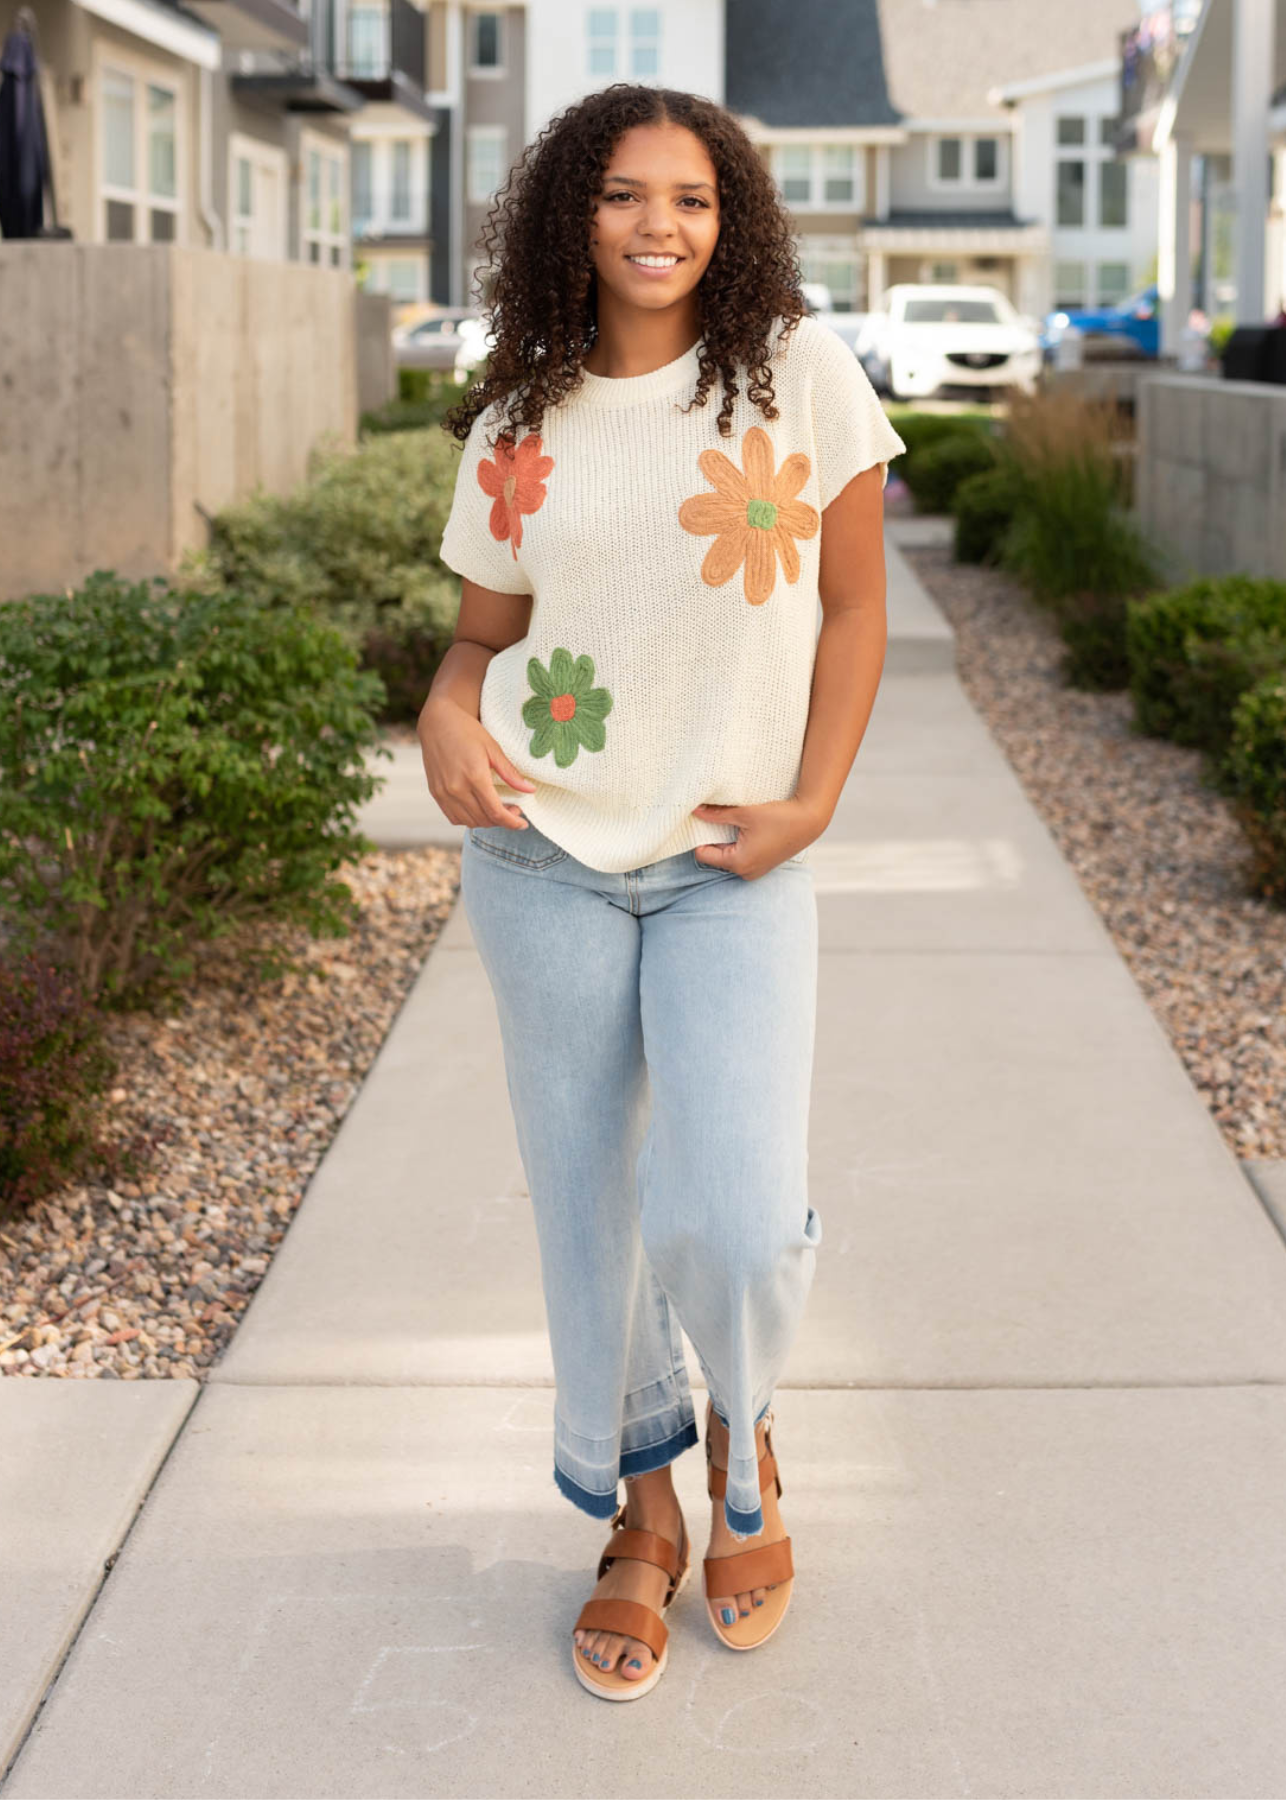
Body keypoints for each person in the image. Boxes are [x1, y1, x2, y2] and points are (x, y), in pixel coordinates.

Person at [419, 82, 905, 1702]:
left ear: (730, 218)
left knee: (735, 1218)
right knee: (592, 1215)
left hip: (726, 863)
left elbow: (849, 613)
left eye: (689, 199)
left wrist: (813, 802)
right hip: (539, 860)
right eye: (622, 195)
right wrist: (437, 712)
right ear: (573, 213)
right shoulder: (518, 419)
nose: (656, 226)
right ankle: (641, 1513)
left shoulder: (798, 378)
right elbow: (484, 647)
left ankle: (738, 1423)